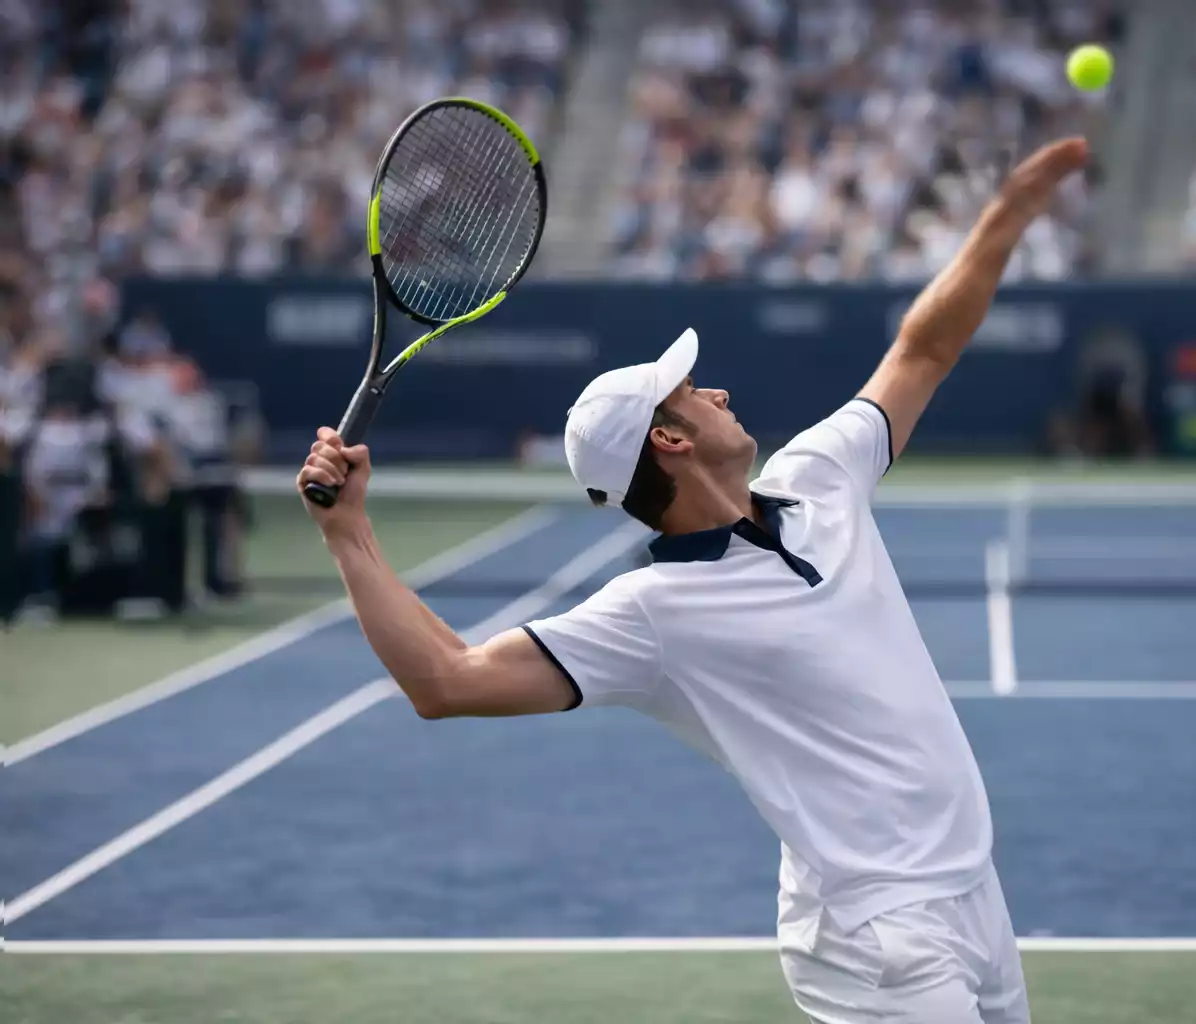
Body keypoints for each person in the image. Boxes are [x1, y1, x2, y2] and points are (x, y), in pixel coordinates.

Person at [297, 137, 1089, 1023]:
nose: (715, 395)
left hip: (973, 892)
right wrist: (350, 533)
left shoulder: (819, 477)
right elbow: (446, 682)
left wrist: (1007, 215)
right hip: (877, 936)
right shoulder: (653, 612)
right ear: (668, 440)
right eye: (692, 393)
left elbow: (923, 349)